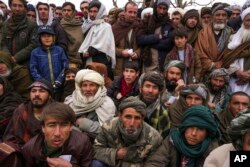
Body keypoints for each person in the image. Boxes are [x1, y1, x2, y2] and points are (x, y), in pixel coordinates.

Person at [93, 96, 162, 167]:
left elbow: (155, 163)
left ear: (142, 119)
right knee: (96, 164)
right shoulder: (108, 127)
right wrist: (116, 154)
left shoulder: (154, 137)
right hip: (112, 164)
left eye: (137, 118)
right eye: (128, 117)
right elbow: (96, 150)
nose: (132, 123)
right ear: (120, 116)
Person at [144, 105, 220, 167]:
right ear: (184, 127)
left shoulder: (213, 149)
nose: (193, 133)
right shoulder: (172, 140)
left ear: (207, 132)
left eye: (200, 129)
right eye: (190, 127)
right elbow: (155, 162)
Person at [0, 80, 54, 167]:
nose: (36, 94)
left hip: (50, 151)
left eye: (42, 91)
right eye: (33, 91)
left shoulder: (57, 111)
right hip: (23, 150)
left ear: (50, 95)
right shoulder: (21, 110)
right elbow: (10, 136)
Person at [22, 102, 93, 167]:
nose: (57, 133)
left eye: (63, 125)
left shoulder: (82, 142)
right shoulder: (30, 149)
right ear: (43, 128)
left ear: (71, 126)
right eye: (51, 125)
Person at [64, 69, 116, 138]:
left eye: (92, 85)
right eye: (84, 85)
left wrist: (86, 124)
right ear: (80, 88)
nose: (88, 89)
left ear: (98, 88)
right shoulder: (70, 101)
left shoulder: (107, 104)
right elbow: (63, 125)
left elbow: (110, 131)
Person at [29, 25, 68, 100]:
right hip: (43, 87)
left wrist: (59, 80)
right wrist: (43, 83)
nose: (47, 38)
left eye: (49, 36)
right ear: (39, 38)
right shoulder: (35, 52)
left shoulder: (59, 50)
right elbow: (33, 70)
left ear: (53, 37)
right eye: (44, 36)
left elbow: (65, 66)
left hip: (60, 86)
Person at [79, 0, 116, 79]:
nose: (92, 14)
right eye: (90, 11)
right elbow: (84, 43)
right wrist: (83, 52)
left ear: (100, 11)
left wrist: (90, 51)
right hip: (88, 61)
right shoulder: (86, 26)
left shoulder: (106, 27)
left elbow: (104, 45)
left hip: (101, 62)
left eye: (95, 11)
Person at [195, 3, 233, 79]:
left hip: (224, 73)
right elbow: (199, 53)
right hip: (207, 73)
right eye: (217, 15)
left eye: (223, 15)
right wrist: (213, 65)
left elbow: (232, 53)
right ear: (212, 17)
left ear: (227, 17)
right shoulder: (202, 33)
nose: (220, 18)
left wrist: (222, 63)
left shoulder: (231, 33)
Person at [137, 0, 174, 72]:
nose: (161, 11)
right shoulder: (147, 21)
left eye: (164, 9)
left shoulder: (169, 25)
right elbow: (140, 39)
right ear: (155, 7)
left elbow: (168, 43)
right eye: (159, 8)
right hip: (148, 63)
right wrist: (156, 37)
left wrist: (148, 43)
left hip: (162, 64)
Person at [222, 7, 250, 95]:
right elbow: (227, 59)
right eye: (248, 20)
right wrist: (237, 72)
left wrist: (248, 76)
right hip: (235, 80)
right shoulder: (233, 38)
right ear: (243, 22)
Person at [0, 0, 36, 66]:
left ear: (24, 8)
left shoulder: (32, 24)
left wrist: (16, 58)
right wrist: (9, 58)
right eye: (14, 5)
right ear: (10, 7)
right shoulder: (5, 24)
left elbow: (33, 44)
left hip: (26, 63)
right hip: (8, 63)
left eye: (20, 6)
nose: (17, 9)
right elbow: (3, 44)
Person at [112, 1, 141, 76]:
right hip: (119, 67)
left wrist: (137, 53)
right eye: (130, 12)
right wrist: (121, 52)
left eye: (135, 12)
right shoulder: (115, 27)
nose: (132, 15)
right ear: (124, 12)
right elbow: (109, 47)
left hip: (134, 68)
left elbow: (144, 46)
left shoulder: (139, 26)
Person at [137, 71, 170, 137]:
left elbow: (163, 138)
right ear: (140, 89)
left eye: (155, 87)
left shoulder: (163, 112)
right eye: (147, 86)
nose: (150, 90)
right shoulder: (129, 105)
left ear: (159, 91)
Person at [61, 2, 84, 69]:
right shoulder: (59, 26)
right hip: (68, 59)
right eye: (64, 10)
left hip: (81, 58)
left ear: (73, 12)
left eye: (69, 10)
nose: (66, 12)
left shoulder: (79, 24)